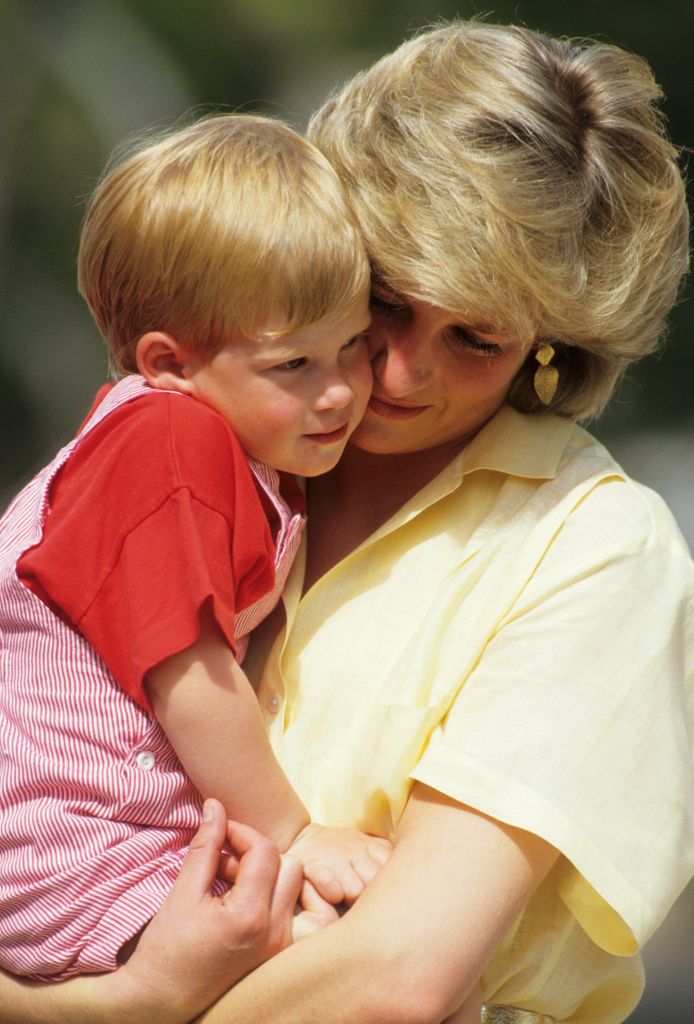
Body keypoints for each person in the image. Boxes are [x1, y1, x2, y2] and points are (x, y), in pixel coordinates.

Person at [1, 18, 693, 1024]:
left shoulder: (597, 550)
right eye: (384, 302)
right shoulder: (211, 446)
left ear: (551, 343)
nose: (400, 372)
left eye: (475, 337)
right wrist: (123, 1002)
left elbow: (396, 979)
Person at [0, 113, 390, 983]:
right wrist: (296, 833)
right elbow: (190, 678)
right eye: (294, 364)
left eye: (355, 347)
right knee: (335, 969)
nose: (339, 392)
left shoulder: (233, 447)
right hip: (65, 851)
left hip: (119, 840)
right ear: (170, 363)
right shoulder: (166, 445)